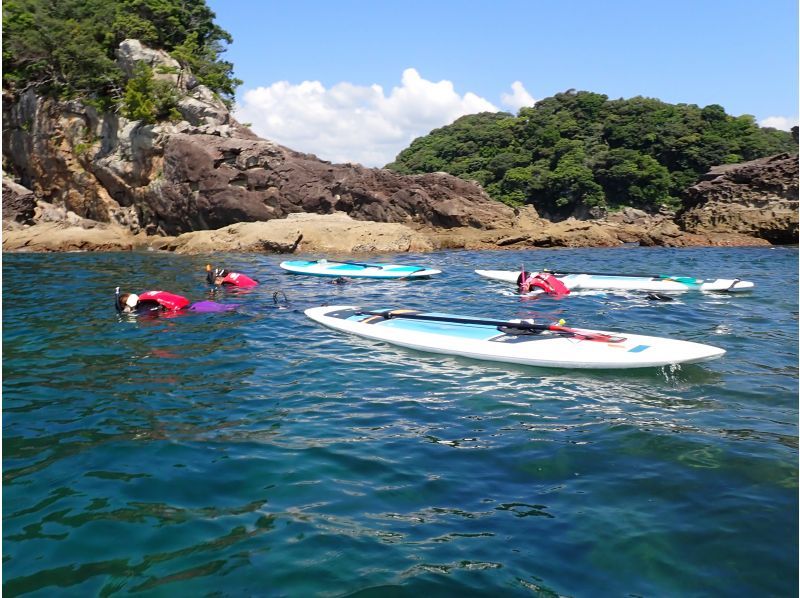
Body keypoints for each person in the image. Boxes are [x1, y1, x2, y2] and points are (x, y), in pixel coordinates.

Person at [116, 288, 235, 314]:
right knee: (233, 307)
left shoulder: (143, 308)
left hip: (193, 311)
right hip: (198, 304)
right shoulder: (147, 298)